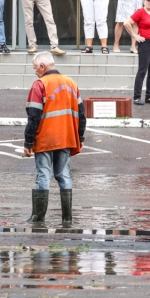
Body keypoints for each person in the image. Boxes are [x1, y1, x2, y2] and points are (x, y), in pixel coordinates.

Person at [23, 51, 87, 225]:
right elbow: (82, 114)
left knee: (43, 174)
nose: (35, 71)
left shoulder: (39, 84)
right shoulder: (71, 83)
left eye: (35, 68)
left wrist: (28, 142)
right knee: (64, 174)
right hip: (66, 137)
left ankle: (38, 216)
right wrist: (80, 136)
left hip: (45, 138)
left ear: (42, 67)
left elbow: (33, 116)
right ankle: (67, 218)